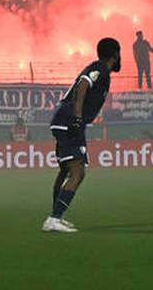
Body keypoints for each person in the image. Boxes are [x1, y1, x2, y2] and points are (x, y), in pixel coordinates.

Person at [42, 37, 121, 233]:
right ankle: (54, 219)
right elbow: (83, 85)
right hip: (69, 121)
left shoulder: (102, 71)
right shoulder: (100, 69)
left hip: (65, 120)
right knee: (78, 172)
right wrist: (77, 117)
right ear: (116, 54)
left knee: (66, 170)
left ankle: (55, 215)